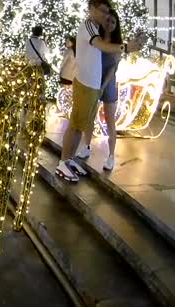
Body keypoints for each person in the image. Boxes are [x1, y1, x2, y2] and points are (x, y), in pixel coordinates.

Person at [55, 0, 144, 182]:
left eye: (107, 12)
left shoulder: (95, 27)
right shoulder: (88, 25)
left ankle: (69, 160)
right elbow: (101, 46)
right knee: (75, 125)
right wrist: (126, 47)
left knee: (79, 126)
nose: (105, 15)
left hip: (93, 86)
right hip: (86, 84)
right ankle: (63, 163)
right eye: (102, 11)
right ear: (92, 9)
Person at [76, 8, 123, 171]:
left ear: (117, 25)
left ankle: (111, 156)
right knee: (90, 117)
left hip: (108, 84)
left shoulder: (118, 45)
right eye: (108, 20)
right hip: (93, 80)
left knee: (110, 121)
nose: (109, 23)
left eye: (113, 21)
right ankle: (86, 146)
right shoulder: (97, 39)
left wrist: (103, 87)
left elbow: (113, 69)